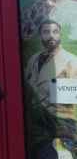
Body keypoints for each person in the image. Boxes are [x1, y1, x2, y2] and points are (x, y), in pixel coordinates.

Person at [25, 20, 77, 158]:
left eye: (55, 32)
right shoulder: (34, 59)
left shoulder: (71, 61)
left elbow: (70, 101)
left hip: (60, 125)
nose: (51, 36)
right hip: (36, 124)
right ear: (40, 36)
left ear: (60, 34)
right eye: (46, 32)